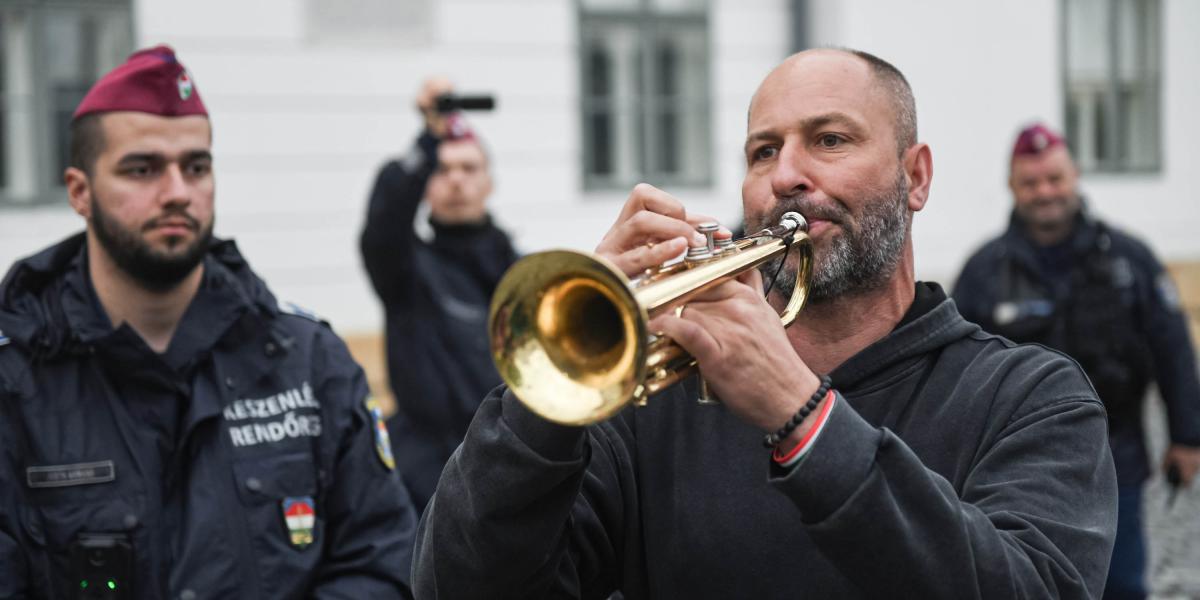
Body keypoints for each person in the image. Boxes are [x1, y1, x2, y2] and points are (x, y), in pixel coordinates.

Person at [412, 49, 1117, 598]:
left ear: (917, 177)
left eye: (831, 139)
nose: (787, 175)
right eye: (762, 151)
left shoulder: (1031, 397)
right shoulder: (650, 406)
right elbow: (458, 587)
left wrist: (800, 413)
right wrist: (552, 397)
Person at [0, 46, 417, 599]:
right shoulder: (15, 379)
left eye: (196, 167)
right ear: (80, 191)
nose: (177, 192)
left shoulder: (307, 361)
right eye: (142, 168)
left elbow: (382, 561)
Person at [953, 123, 1200, 600]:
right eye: (1031, 182)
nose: (1045, 192)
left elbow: (1172, 346)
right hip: (1014, 466)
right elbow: (955, 369)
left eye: (1054, 179)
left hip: (1116, 458)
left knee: (1122, 584)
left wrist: (1187, 437)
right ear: (1012, 186)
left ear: (1075, 176)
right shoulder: (984, 271)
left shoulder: (1129, 260)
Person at [360, 77, 518, 513]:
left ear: (489, 182)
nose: (456, 181)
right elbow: (384, 223)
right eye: (442, 170)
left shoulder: (522, 272)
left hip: (510, 463)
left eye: (469, 168)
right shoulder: (407, 270)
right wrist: (428, 139)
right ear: (425, 185)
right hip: (425, 479)